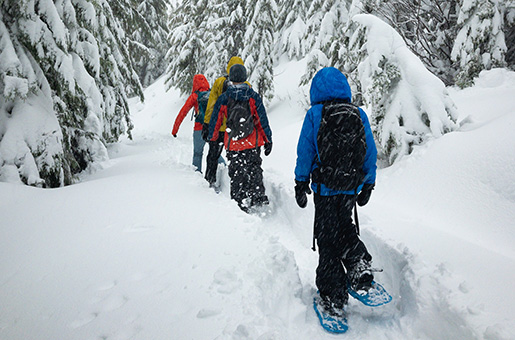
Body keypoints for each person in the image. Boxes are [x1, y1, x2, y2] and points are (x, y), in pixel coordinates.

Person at [294, 67, 378, 316]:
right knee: (345, 226)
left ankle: (334, 294)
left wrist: (300, 182)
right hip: (350, 187)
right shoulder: (358, 114)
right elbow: (370, 151)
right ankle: (358, 263)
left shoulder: (315, 114)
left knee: (327, 239)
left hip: (324, 187)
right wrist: (369, 183)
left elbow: (305, 151)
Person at [207, 64, 272, 212]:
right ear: (245, 77)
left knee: (237, 171)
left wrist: (213, 137)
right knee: (254, 167)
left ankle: (239, 200)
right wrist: (268, 139)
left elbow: (216, 120)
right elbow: (262, 120)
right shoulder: (253, 96)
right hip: (252, 142)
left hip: (233, 143)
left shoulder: (225, 98)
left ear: (230, 78)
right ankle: (257, 195)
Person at [202, 56, 250, 187]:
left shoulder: (219, 82)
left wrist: (207, 124)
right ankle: (239, 185)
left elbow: (211, 105)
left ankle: (210, 179)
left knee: (213, 155)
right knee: (238, 158)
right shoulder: (247, 86)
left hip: (219, 128)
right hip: (236, 130)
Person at [171, 74, 219, 172]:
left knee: (198, 153)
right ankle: (223, 170)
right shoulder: (212, 94)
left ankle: (197, 177)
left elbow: (182, 113)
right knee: (214, 151)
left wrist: (174, 131)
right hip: (212, 128)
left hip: (199, 129)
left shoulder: (194, 96)